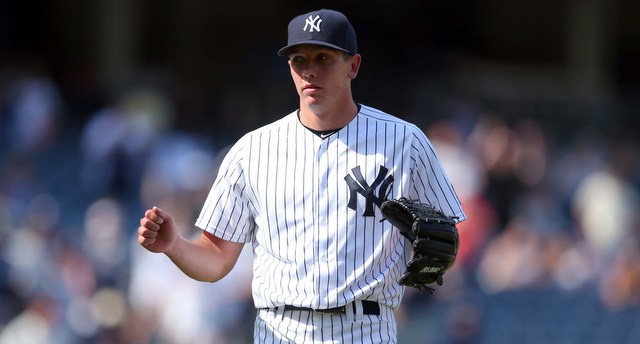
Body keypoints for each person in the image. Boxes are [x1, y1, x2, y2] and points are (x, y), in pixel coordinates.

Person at [137, 8, 466, 343]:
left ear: (353, 65)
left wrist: (440, 258)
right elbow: (217, 258)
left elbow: (446, 236)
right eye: (299, 60)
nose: (309, 71)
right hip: (279, 329)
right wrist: (175, 246)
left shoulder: (405, 141)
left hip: (366, 329)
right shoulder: (252, 150)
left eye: (323, 57)